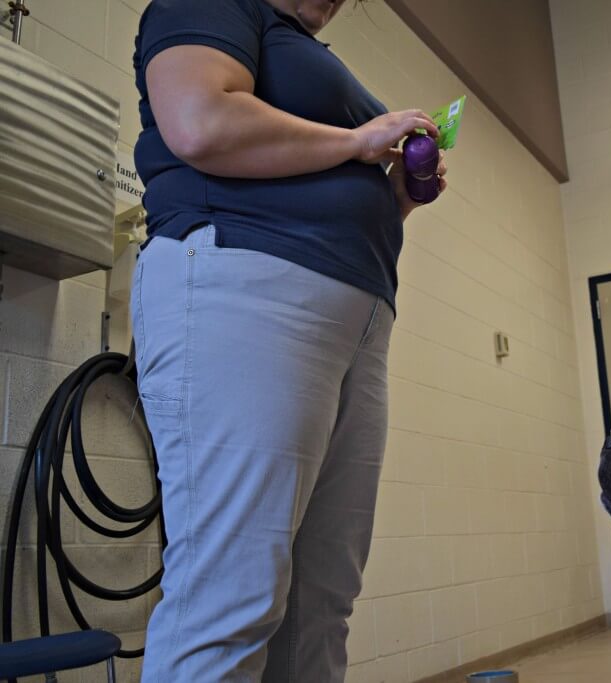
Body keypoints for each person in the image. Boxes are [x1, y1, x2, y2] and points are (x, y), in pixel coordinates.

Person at [129, 0, 446, 680]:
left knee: (319, 604)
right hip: (242, 285)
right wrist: (360, 142)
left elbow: (317, 179)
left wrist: (391, 196)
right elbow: (200, 120)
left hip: (351, 319)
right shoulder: (212, 5)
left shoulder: (303, 52)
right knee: (230, 598)